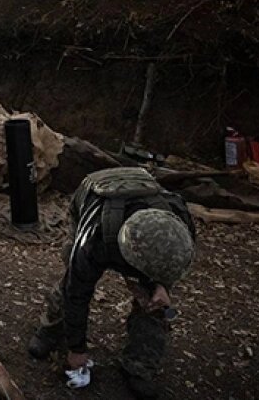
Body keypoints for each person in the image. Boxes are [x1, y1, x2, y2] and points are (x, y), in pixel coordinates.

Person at [27, 166, 196, 399]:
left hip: (141, 200)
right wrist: (77, 349)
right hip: (93, 194)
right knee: (70, 282)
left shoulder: (180, 224)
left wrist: (161, 287)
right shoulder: (94, 240)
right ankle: (50, 330)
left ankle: (139, 366)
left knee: (154, 305)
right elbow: (76, 293)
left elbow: (171, 266)